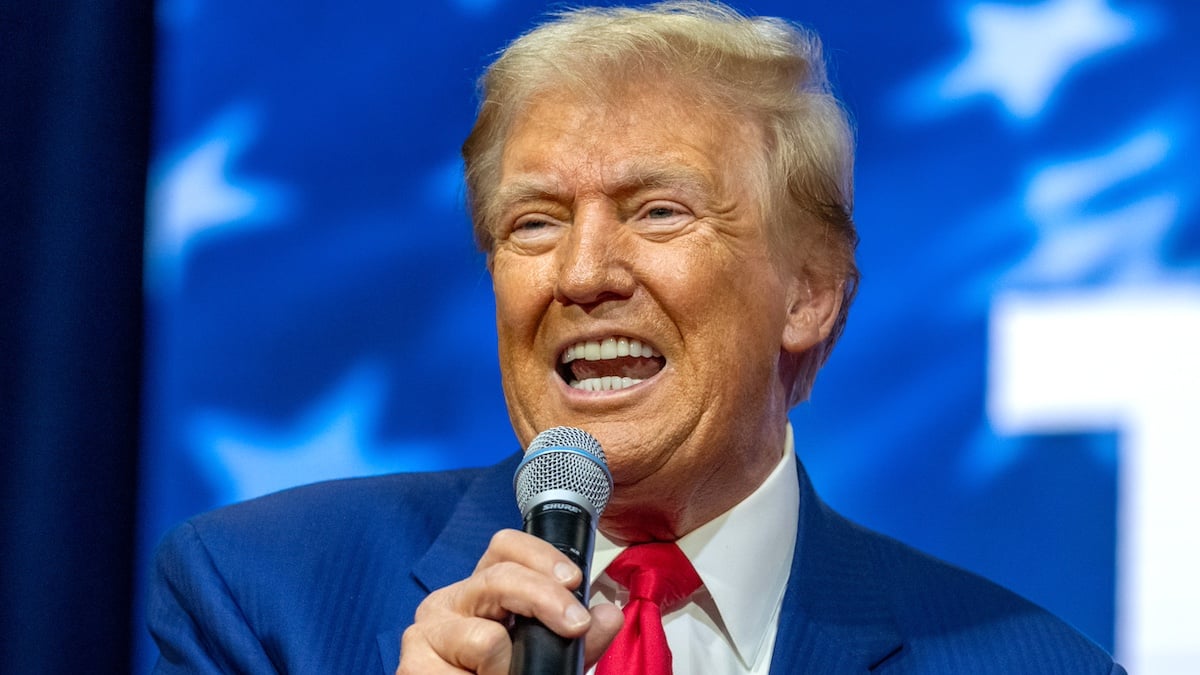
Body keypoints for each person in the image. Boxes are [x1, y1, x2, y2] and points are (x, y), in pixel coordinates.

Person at [147, 2, 1125, 673]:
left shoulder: (1025, 663)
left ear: (810, 295)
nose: (582, 275)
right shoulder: (264, 600)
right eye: (534, 222)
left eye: (658, 213)